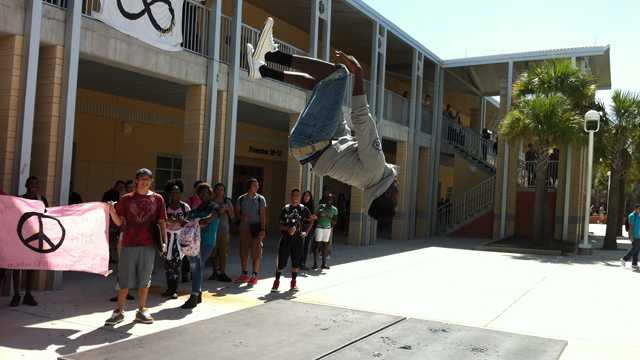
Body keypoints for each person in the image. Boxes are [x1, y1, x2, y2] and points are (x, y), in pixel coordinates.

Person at [246, 18, 399, 224]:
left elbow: (362, 118)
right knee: (322, 83)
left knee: (339, 74)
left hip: (312, 141)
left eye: (396, 200)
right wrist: (335, 109)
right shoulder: (365, 179)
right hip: (309, 147)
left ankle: (270, 54)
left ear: (387, 196)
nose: (399, 193)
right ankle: (262, 70)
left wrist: (359, 74)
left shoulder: (376, 169)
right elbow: (342, 138)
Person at [105, 168, 167, 326]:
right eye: (142, 178)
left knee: (145, 279)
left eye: (148, 179)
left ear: (151, 181)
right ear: (136, 180)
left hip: (149, 244)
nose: (145, 181)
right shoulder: (126, 199)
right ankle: (119, 311)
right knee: (124, 278)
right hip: (129, 243)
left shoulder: (157, 199)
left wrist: (164, 241)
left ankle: (142, 310)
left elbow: (161, 222)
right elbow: (119, 222)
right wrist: (112, 211)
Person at [182, 182, 221, 309]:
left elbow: (209, 219)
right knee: (196, 267)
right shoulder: (199, 207)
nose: (203, 195)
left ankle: (194, 296)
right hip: (195, 242)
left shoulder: (214, 206)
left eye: (206, 193)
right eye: (201, 193)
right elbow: (187, 217)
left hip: (207, 241)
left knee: (197, 266)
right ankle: (197, 294)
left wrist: (197, 220)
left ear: (210, 194)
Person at [11, 176, 48, 306]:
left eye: (36, 184)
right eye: (31, 183)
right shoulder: (20, 199)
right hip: (20, 237)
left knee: (30, 267)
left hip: (34, 238)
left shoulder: (41, 200)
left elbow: (46, 215)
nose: (34, 186)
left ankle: (28, 294)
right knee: (17, 267)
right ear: (26, 185)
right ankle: (16, 295)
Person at [271, 189, 312, 292]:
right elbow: (280, 226)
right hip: (286, 239)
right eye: (294, 195)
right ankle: (276, 282)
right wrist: (288, 229)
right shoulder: (286, 208)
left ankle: (293, 283)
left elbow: (311, 220)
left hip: (298, 240)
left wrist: (305, 232)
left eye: (298, 196)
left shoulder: (303, 209)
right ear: (291, 196)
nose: (296, 197)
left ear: (299, 197)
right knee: (281, 262)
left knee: (296, 262)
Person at [235, 178, 267, 285]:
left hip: (256, 228)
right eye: (254, 185)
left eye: (257, 184)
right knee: (243, 251)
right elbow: (237, 213)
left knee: (256, 252)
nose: (257, 186)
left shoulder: (260, 199)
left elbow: (263, 215)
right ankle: (244, 274)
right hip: (244, 228)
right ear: (249, 186)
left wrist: (263, 229)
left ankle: (254, 275)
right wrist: (242, 217)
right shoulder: (241, 199)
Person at [162, 179, 191, 300]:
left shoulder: (185, 207)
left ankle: (174, 290)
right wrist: (168, 221)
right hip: (167, 237)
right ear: (169, 193)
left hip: (179, 238)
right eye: (173, 192)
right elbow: (160, 221)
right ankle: (169, 288)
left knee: (177, 264)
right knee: (168, 264)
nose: (175, 194)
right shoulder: (165, 207)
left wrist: (179, 221)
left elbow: (190, 223)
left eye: (177, 192)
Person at [208, 183, 234, 283]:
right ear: (215, 191)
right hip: (213, 230)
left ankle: (222, 272)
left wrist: (228, 209)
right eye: (218, 189)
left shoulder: (227, 202)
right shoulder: (211, 202)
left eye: (222, 190)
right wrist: (219, 211)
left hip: (224, 230)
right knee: (213, 252)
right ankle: (215, 272)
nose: (220, 192)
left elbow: (233, 217)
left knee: (223, 252)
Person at [313, 193, 338, 270]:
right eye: (327, 198)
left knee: (325, 246)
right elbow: (315, 216)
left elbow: (335, 221)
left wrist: (328, 217)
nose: (329, 200)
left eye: (331, 199)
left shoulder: (334, 209)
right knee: (317, 245)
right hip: (319, 227)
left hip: (327, 228)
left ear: (332, 200)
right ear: (325, 199)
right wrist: (320, 214)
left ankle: (323, 264)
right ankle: (315, 264)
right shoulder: (321, 207)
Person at [300, 190, 316, 270]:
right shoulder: (299, 206)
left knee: (306, 246)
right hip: (300, 228)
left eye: (308, 196)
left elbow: (312, 220)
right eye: (305, 195)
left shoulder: (311, 207)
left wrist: (307, 231)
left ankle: (303, 263)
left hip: (308, 228)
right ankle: (297, 262)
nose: (306, 197)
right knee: (299, 246)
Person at [622, 205, 640, 270]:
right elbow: (631, 227)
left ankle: (634, 264)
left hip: (639, 235)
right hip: (634, 235)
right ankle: (624, 259)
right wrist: (631, 236)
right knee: (635, 249)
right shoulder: (632, 216)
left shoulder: (638, 215)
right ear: (635, 209)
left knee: (637, 250)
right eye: (639, 209)